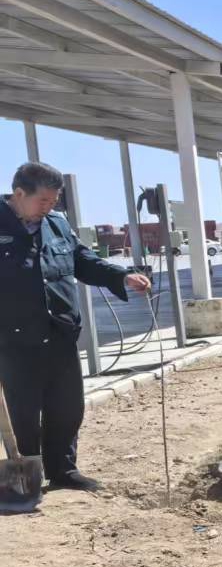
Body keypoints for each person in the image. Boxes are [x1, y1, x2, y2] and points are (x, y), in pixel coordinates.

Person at [0, 162, 150, 491]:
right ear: (19, 194)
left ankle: (64, 470)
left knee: (67, 407)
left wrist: (120, 276)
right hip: (14, 341)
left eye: (54, 202)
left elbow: (82, 260)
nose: (49, 207)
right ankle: (27, 476)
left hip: (60, 332)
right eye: (43, 201)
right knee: (22, 414)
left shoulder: (56, 223)